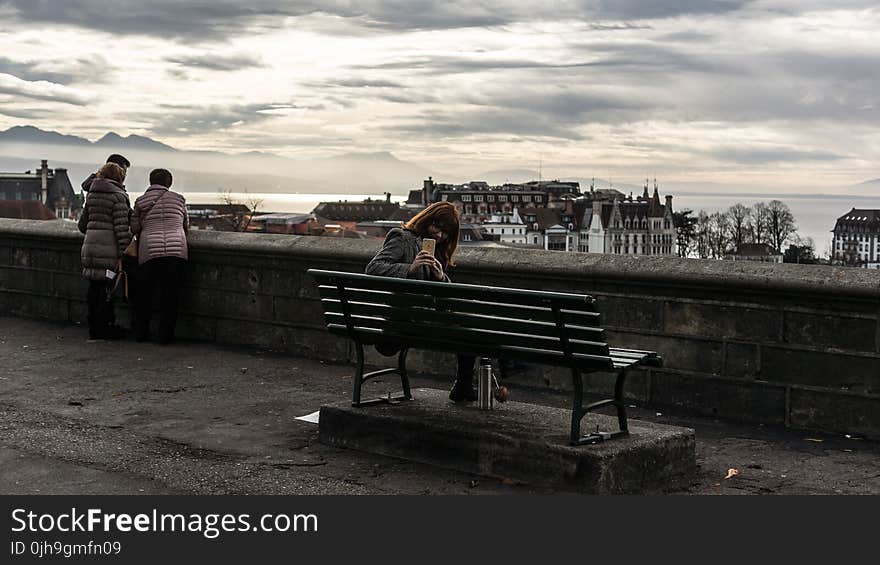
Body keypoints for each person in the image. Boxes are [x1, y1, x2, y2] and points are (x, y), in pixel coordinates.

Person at [365, 201, 477, 402]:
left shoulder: (437, 250)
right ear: (427, 220)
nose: (440, 235)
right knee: (468, 328)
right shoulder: (402, 238)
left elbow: (444, 297)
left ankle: (465, 386)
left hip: (419, 322)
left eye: (445, 233)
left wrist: (440, 277)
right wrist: (409, 268)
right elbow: (374, 268)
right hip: (401, 326)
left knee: (470, 325)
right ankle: (464, 386)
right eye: (438, 228)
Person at [131, 168, 189, 344]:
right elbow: (186, 225)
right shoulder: (179, 199)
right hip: (176, 251)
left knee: (145, 296)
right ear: (169, 182)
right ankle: (166, 336)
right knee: (170, 296)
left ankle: (141, 333)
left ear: (150, 182)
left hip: (149, 252)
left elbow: (134, 228)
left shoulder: (141, 202)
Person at [77, 162, 132, 340]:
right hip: (108, 251)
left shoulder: (92, 194)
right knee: (107, 289)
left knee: (94, 287)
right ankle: (104, 327)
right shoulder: (118, 196)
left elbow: (82, 225)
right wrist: (125, 251)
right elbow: (121, 228)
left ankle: (94, 326)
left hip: (89, 248)